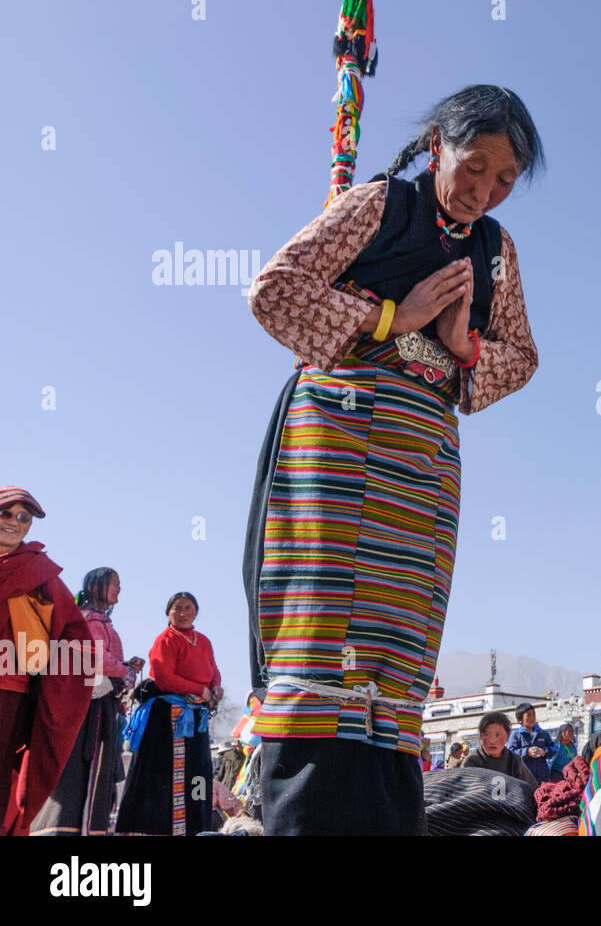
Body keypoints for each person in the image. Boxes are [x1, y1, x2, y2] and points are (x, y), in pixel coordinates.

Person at [243, 84, 545, 836]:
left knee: (399, 640)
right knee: (321, 630)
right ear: (437, 143)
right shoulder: (379, 206)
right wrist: (392, 317)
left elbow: (523, 357)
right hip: (338, 442)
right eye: (474, 166)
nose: (484, 191)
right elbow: (274, 292)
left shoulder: (496, 252)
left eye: (504, 180)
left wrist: (463, 346)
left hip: (424, 453)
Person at [0, 488, 93, 835]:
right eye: (6, 514)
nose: (14, 523)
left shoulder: (40, 574)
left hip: (10, 694)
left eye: (23, 518)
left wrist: (59, 668)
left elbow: (75, 635)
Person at [31, 567, 145, 835]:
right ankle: (65, 828)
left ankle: (79, 827)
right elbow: (95, 659)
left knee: (88, 770)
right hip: (86, 710)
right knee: (78, 770)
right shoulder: (90, 621)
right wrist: (126, 671)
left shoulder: (99, 622)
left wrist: (124, 668)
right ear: (96, 586)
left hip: (96, 706)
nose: (119, 589)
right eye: (114, 583)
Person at [116, 592, 224, 835]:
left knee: (198, 775)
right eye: (177, 608)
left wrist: (216, 689)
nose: (183, 612)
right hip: (167, 719)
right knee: (164, 776)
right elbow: (164, 679)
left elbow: (213, 670)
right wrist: (201, 690)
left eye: (188, 607)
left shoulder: (204, 641)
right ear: (168, 613)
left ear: (196, 612)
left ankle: (195, 827)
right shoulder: (165, 640)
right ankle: (161, 828)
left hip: (196, 718)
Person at [461, 712, 538, 789]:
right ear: (481, 736)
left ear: (508, 736)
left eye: (498, 735)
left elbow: (533, 789)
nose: (492, 741)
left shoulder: (514, 761)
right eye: (487, 735)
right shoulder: (471, 762)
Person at [507, 703, 554, 785]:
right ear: (520, 720)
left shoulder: (543, 733)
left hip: (543, 779)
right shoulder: (516, 735)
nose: (532, 717)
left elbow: (554, 748)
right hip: (523, 779)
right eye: (528, 715)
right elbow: (509, 753)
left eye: (533, 714)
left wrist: (545, 751)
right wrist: (527, 752)